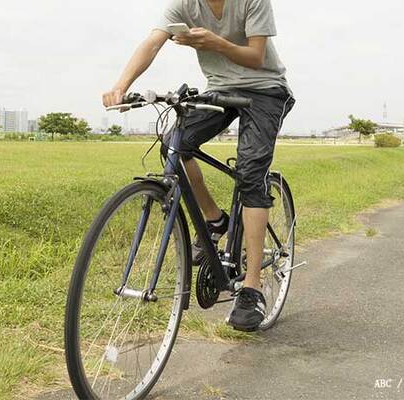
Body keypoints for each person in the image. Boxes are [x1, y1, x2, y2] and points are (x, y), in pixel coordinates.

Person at [102, 0, 295, 332]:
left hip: (266, 91)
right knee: (174, 144)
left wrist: (215, 43)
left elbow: (256, 56)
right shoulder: (184, 4)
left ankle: (251, 288)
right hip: (220, 90)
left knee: (250, 175)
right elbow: (152, 42)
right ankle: (215, 219)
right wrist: (122, 85)